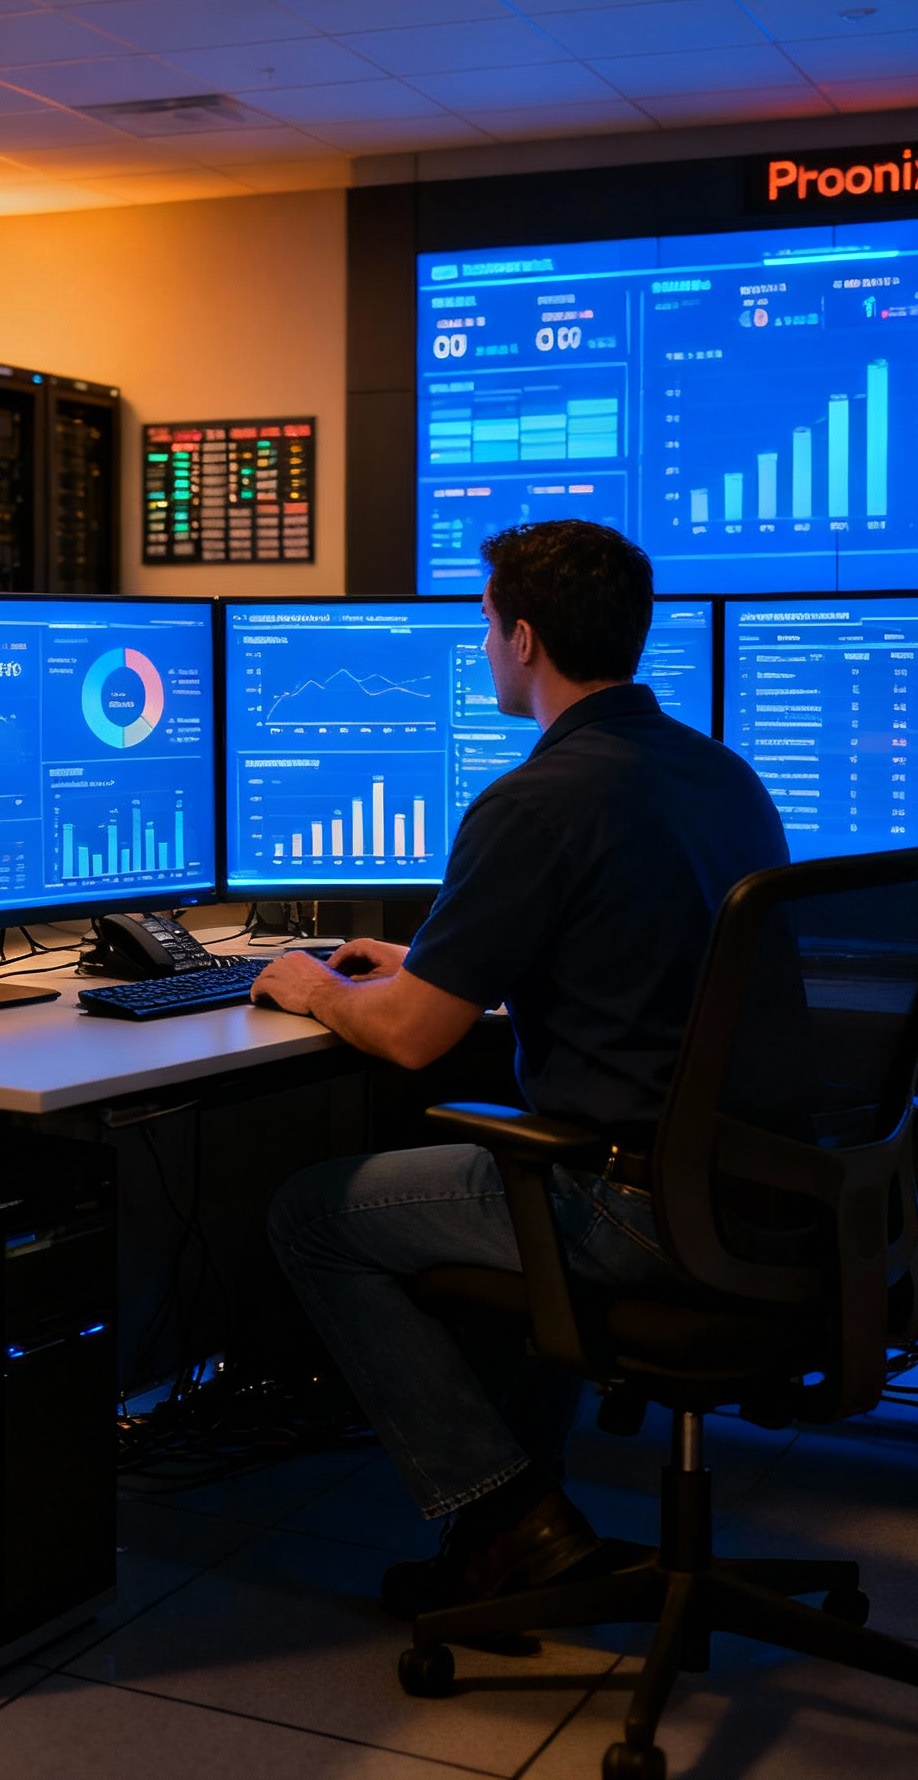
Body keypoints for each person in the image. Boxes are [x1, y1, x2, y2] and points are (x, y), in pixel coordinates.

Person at [251, 519, 787, 1617]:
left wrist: (312, 986)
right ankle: (516, 1515)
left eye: (484, 624)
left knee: (314, 1213)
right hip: (766, 1191)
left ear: (523, 636)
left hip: (632, 1201)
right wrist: (440, 965)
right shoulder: (719, 773)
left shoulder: (535, 799)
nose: (482, 644)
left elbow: (406, 1037)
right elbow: (644, 957)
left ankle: (503, 1519)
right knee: (510, 1186)